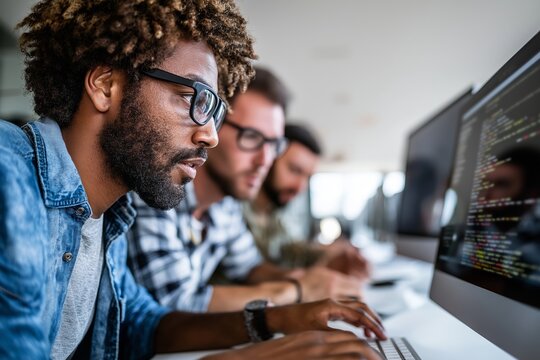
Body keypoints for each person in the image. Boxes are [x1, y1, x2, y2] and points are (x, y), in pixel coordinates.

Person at [0, 1, 387, 359]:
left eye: (214, 112)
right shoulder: (8, 178)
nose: (211, 135)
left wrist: (276, 321)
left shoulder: (109, 213)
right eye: (194, 98)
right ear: (105, 85)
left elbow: (145, 325)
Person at [128, 68, 367, 313]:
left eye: (274, 144)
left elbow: (250, 268)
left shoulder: (225, 205)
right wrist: (296, 290)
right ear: (212, 123)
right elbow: (177, 304)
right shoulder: (157, 190)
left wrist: (308, 278)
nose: (265, 160)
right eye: (252, 137)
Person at [244, 123, 371, 279]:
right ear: (269, 158)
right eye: (295, 170)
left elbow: (290, 251)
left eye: (307, 177)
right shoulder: (234, 211)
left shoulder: (273, 215)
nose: (300, 187)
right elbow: (246, 275)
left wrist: (331, 251)